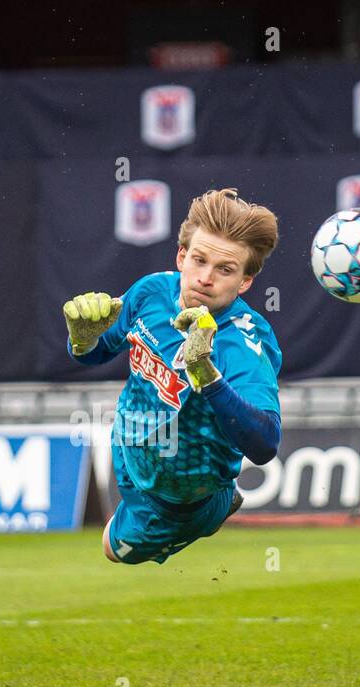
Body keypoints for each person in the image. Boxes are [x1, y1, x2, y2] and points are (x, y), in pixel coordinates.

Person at [64, 187, 282, 564]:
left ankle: (217, 506)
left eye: (225, 269)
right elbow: (98, 353)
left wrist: (207, 374)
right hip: (126, 444)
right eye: (198, 260)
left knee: (112, 550)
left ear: (245, 282)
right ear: (181, 256)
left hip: (179, 497)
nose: (205, 278)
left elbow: (264, 445)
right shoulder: (151, 293)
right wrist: (81, 339)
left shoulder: (242, 343)